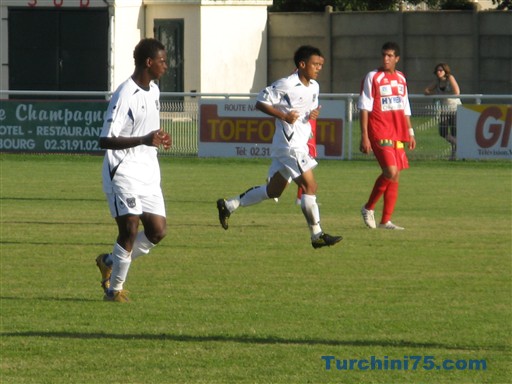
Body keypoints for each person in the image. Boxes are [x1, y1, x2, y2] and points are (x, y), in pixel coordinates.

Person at [216, 45, 342, 249]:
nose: (318, 68)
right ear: (302, 64)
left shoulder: (315, 87)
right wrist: (283, 116)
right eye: (315, 64)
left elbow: (306, 110)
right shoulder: (287, 84)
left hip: (299, 144)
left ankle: (229, 205)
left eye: (321, 65)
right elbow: (260, 102)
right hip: (289, 146)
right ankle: (316, 234)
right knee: (310, 186)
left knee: (273, 191)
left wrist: (311, 115)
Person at [95, 38, 171, 302]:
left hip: (148, 170)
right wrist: (143, 139)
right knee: (129, 227)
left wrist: (159, 137)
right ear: (148, 63)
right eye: (162, 60)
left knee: (157, 231)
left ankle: (109, 261)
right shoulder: (125, 94)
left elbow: (147, 130)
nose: (166, 65)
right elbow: (105, 140)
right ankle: (114, 290)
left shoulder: (155, 91)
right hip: (123, 170)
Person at [358, 42, 416, 230]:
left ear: (397, 59)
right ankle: (368, 208)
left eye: (390, 56)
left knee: (396, 174)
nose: (386, 59)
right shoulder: (373, 77)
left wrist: (410, 132)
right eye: (384, 55)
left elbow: (405, 106)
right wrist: (364, 135)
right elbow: (364, 107)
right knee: (390, 171)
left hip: (398, 132)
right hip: (379, 130)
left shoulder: (401, 78)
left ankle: (385, 221)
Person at [424, 62, 461, 160]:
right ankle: (459, 145)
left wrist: (444, 95)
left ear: (445, 71)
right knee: (443, 131)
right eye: (437, 70)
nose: (439, 72)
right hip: (444, 109)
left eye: (441, 70)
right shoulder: (437, 81)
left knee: (454, 132)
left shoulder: (450, 78)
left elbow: (457, 92)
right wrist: (435, 94)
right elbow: (426, 91)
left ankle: (454, 156)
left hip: (454, 108)